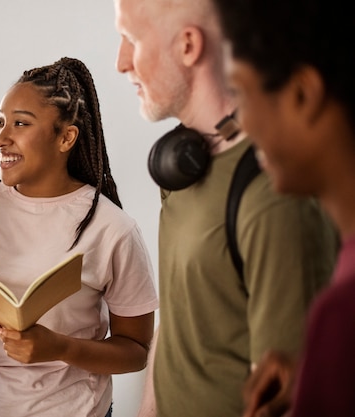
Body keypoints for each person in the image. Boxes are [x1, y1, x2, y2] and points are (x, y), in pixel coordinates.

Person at [112, 0, 339, 416]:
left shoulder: (273, 198)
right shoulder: (181, 165)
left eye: (131, 40)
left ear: (188, 45)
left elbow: (291, 397)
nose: (120, 62)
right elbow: (180, 323)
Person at [0, 57, 158, 417]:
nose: (1, 138)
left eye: (20, 123)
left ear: (66, 137)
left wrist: (61, 348)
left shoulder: (112, 228)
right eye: (0, 122)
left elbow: (136, 352)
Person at [211, 0, 355, 416]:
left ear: (302, 94)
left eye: (239, 91)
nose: (241, 123)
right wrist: (315, 376)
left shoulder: (342, 315)